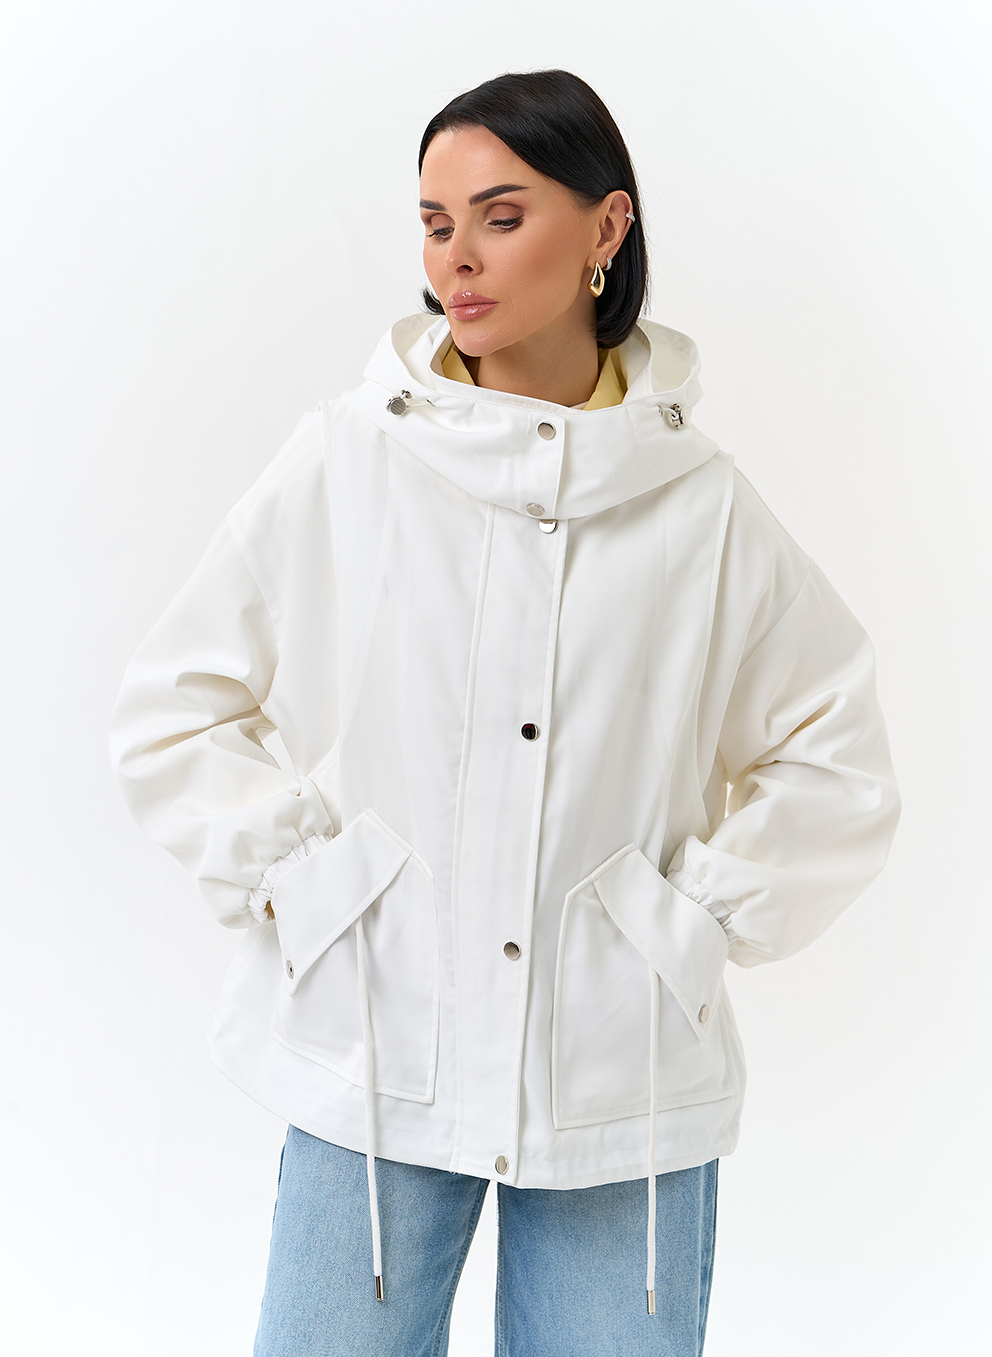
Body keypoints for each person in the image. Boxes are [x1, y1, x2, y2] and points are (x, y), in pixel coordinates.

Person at [110, 69, 900, 1357]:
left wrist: (687, 926)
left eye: (500, 215)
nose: (457, 260)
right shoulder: (356, 456)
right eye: (435, 224)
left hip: (621, 1084)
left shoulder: (699, 503)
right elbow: (174, 707)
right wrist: (313, 886)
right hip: (377, 1052)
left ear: (606, 226)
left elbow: (837, 759)